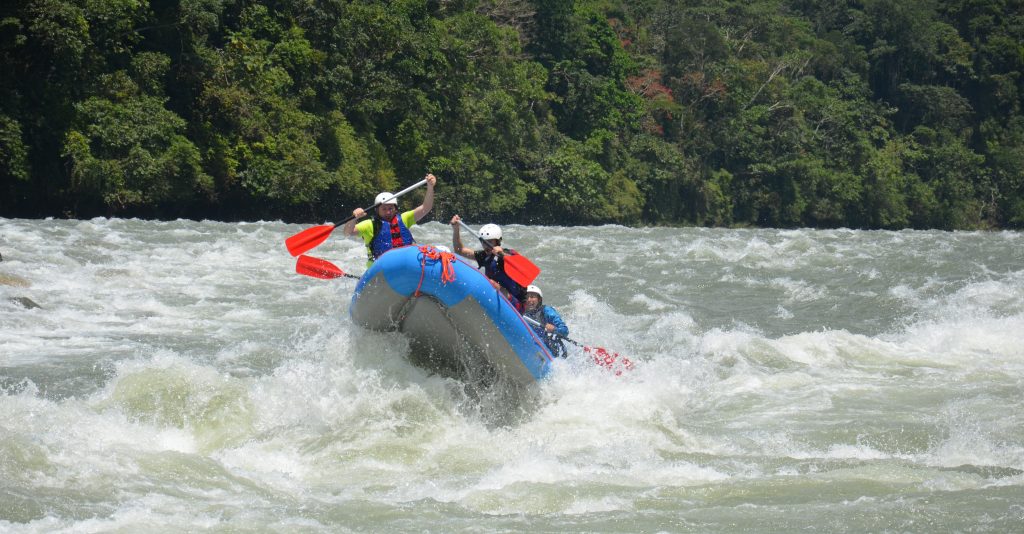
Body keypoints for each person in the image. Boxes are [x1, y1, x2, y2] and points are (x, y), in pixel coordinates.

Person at [343, 174, 437, 266]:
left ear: (395, 209)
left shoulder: (404, 219)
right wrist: (354, 218)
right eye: (384, 209)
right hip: (379, 269)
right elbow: (347, 233)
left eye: (390, 208)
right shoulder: (370, 225)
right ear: (377, 210)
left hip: (404, 266)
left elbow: (426, 207)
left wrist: (430, 187)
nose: (388, 212)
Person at [450, 215, 527, 310]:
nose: (485, 245)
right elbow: (460, 250)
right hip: (496, 297)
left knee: (491, 283)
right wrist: (456, 229)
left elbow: (521, 265)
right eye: (483, 242)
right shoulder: (485, 256)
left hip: (516, 304)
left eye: (489, 241)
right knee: (483, 280)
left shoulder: (510, 254)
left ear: (497, 241)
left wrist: (502, 254)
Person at [523, 285, 569, 358]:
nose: (529, 299)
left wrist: (554, 329)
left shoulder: (547, 311)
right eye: (526, 297)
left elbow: (565, 331)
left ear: (539, 299)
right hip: (534, 346)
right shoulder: (521, 311)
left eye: (532, 297)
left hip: (552, 350)